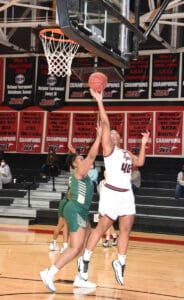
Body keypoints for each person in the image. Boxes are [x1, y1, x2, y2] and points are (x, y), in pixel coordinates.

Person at [78, 88, 150, 286]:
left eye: (114, 133)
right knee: (101, 228)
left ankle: (120, 263)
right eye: (109, 133)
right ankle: (84, 260)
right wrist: (100, 101)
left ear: (119, 137)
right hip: (111, 193)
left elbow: (141, 162)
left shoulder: (126, 152)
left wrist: (143, 143)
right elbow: (106, 122)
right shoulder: (108, 150)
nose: (111, 134)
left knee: (126, 230)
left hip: (126, 194)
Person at [40, 122, 102, 292]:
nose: (84, 161)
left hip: (81, 210)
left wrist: (72, 150)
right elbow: (91, 156)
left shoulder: (79, 173)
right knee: (75, 247)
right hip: (75, 209)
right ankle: (49, 272)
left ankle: (80, 277)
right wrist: (98, 138)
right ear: (75, 164)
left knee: (84, 245)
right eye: (80, 159)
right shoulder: (80, 171)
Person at [98, 171, 118, 248]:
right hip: (103, 204)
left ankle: (107, 239)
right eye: (105, 173)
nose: (106, 174)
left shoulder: (113, 183)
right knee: (108, 223)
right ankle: (115, 237)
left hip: (111, 205)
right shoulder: (101, 183)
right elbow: (101, 194)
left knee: (106, 222)